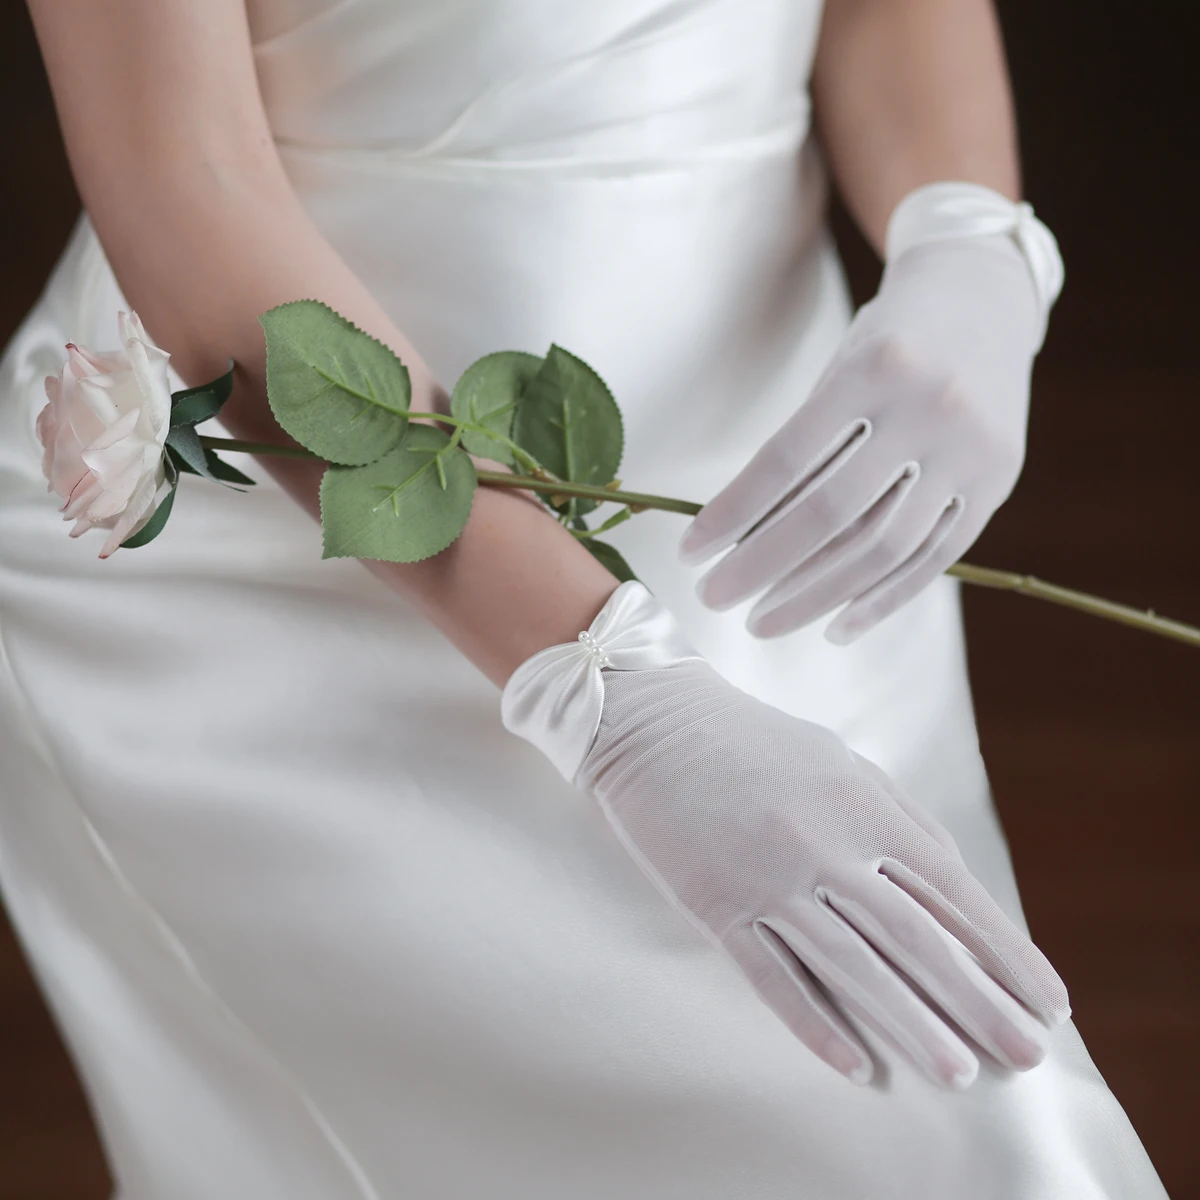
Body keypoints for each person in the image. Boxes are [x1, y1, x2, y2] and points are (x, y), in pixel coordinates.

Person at [0, 0, 1165, 1195]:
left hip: (773, 527)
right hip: (298, 575)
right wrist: (609, 689)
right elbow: (184, 182)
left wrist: (971, 242)